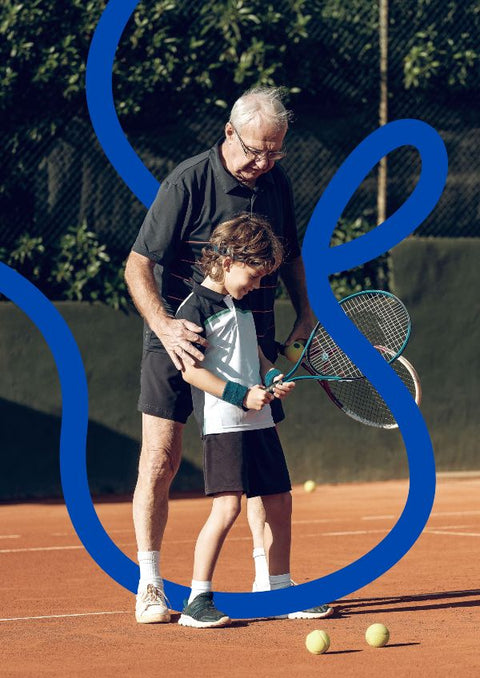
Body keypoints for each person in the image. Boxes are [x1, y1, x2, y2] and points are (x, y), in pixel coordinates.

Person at [125, 87, 319, 624]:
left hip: (249, 333)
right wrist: (164, 327)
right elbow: (138, 265)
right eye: (256, 150)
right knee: (161, 459)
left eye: (275, 151)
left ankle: (269, 581)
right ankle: (150, 584)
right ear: (230, 133)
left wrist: (304, 317)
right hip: (178, 333)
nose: (264, 162)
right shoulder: (188, 181)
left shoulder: (276, 181)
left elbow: (294, 256)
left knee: (261, 463)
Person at [175, 215, 295, 627]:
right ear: (227, 261)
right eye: (254, 274)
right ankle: (197, 600)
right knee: (227, 508)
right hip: (225, 424)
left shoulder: (240, 306)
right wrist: (240, 395)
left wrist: (270, 376)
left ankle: (280, 590)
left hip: (258, 422)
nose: (258, 285)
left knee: (280, 501)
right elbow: (192, 371)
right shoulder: (193, 308)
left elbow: (257, 355)